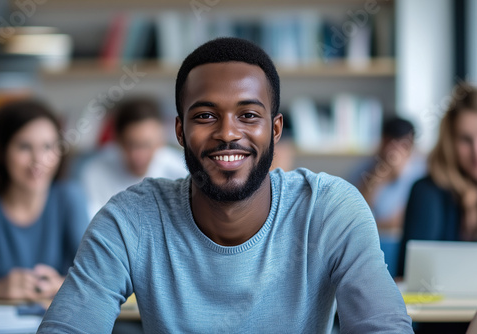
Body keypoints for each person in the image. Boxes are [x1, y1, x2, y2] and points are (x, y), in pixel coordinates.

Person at [38, 38, 413, 333]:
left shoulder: (330, 209)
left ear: (276, 129)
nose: (228, 133)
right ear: (181, 132)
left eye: (248, 115)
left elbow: (382, 327)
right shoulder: (130, 218)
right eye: (205, 116)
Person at [0, 99, 89, 301]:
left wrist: (61, 285)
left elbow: (97, 278)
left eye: (48, 147)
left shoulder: (69, 197)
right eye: (24, 147)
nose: (39, 160)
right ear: (1, 151)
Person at [397, 83, 477, 334]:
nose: (476, 152)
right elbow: (413, 277)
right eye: (466, 140)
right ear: (450, 142)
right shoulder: (427, 192)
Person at [79, 97, 188, 218]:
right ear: (117, 141)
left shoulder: (181, 171)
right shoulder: (95, 171)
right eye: (130, 144)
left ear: (160, 142)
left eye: (146, 145)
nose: (138, 155)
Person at [352, 117, 426, 235]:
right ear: (382, 142)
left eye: (403, 146)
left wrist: (373, 225)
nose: (395, 153)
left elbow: (409, 220)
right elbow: (354, 215)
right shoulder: (364, 170)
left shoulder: (422, 173)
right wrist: (377, 178)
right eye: (391, 145)